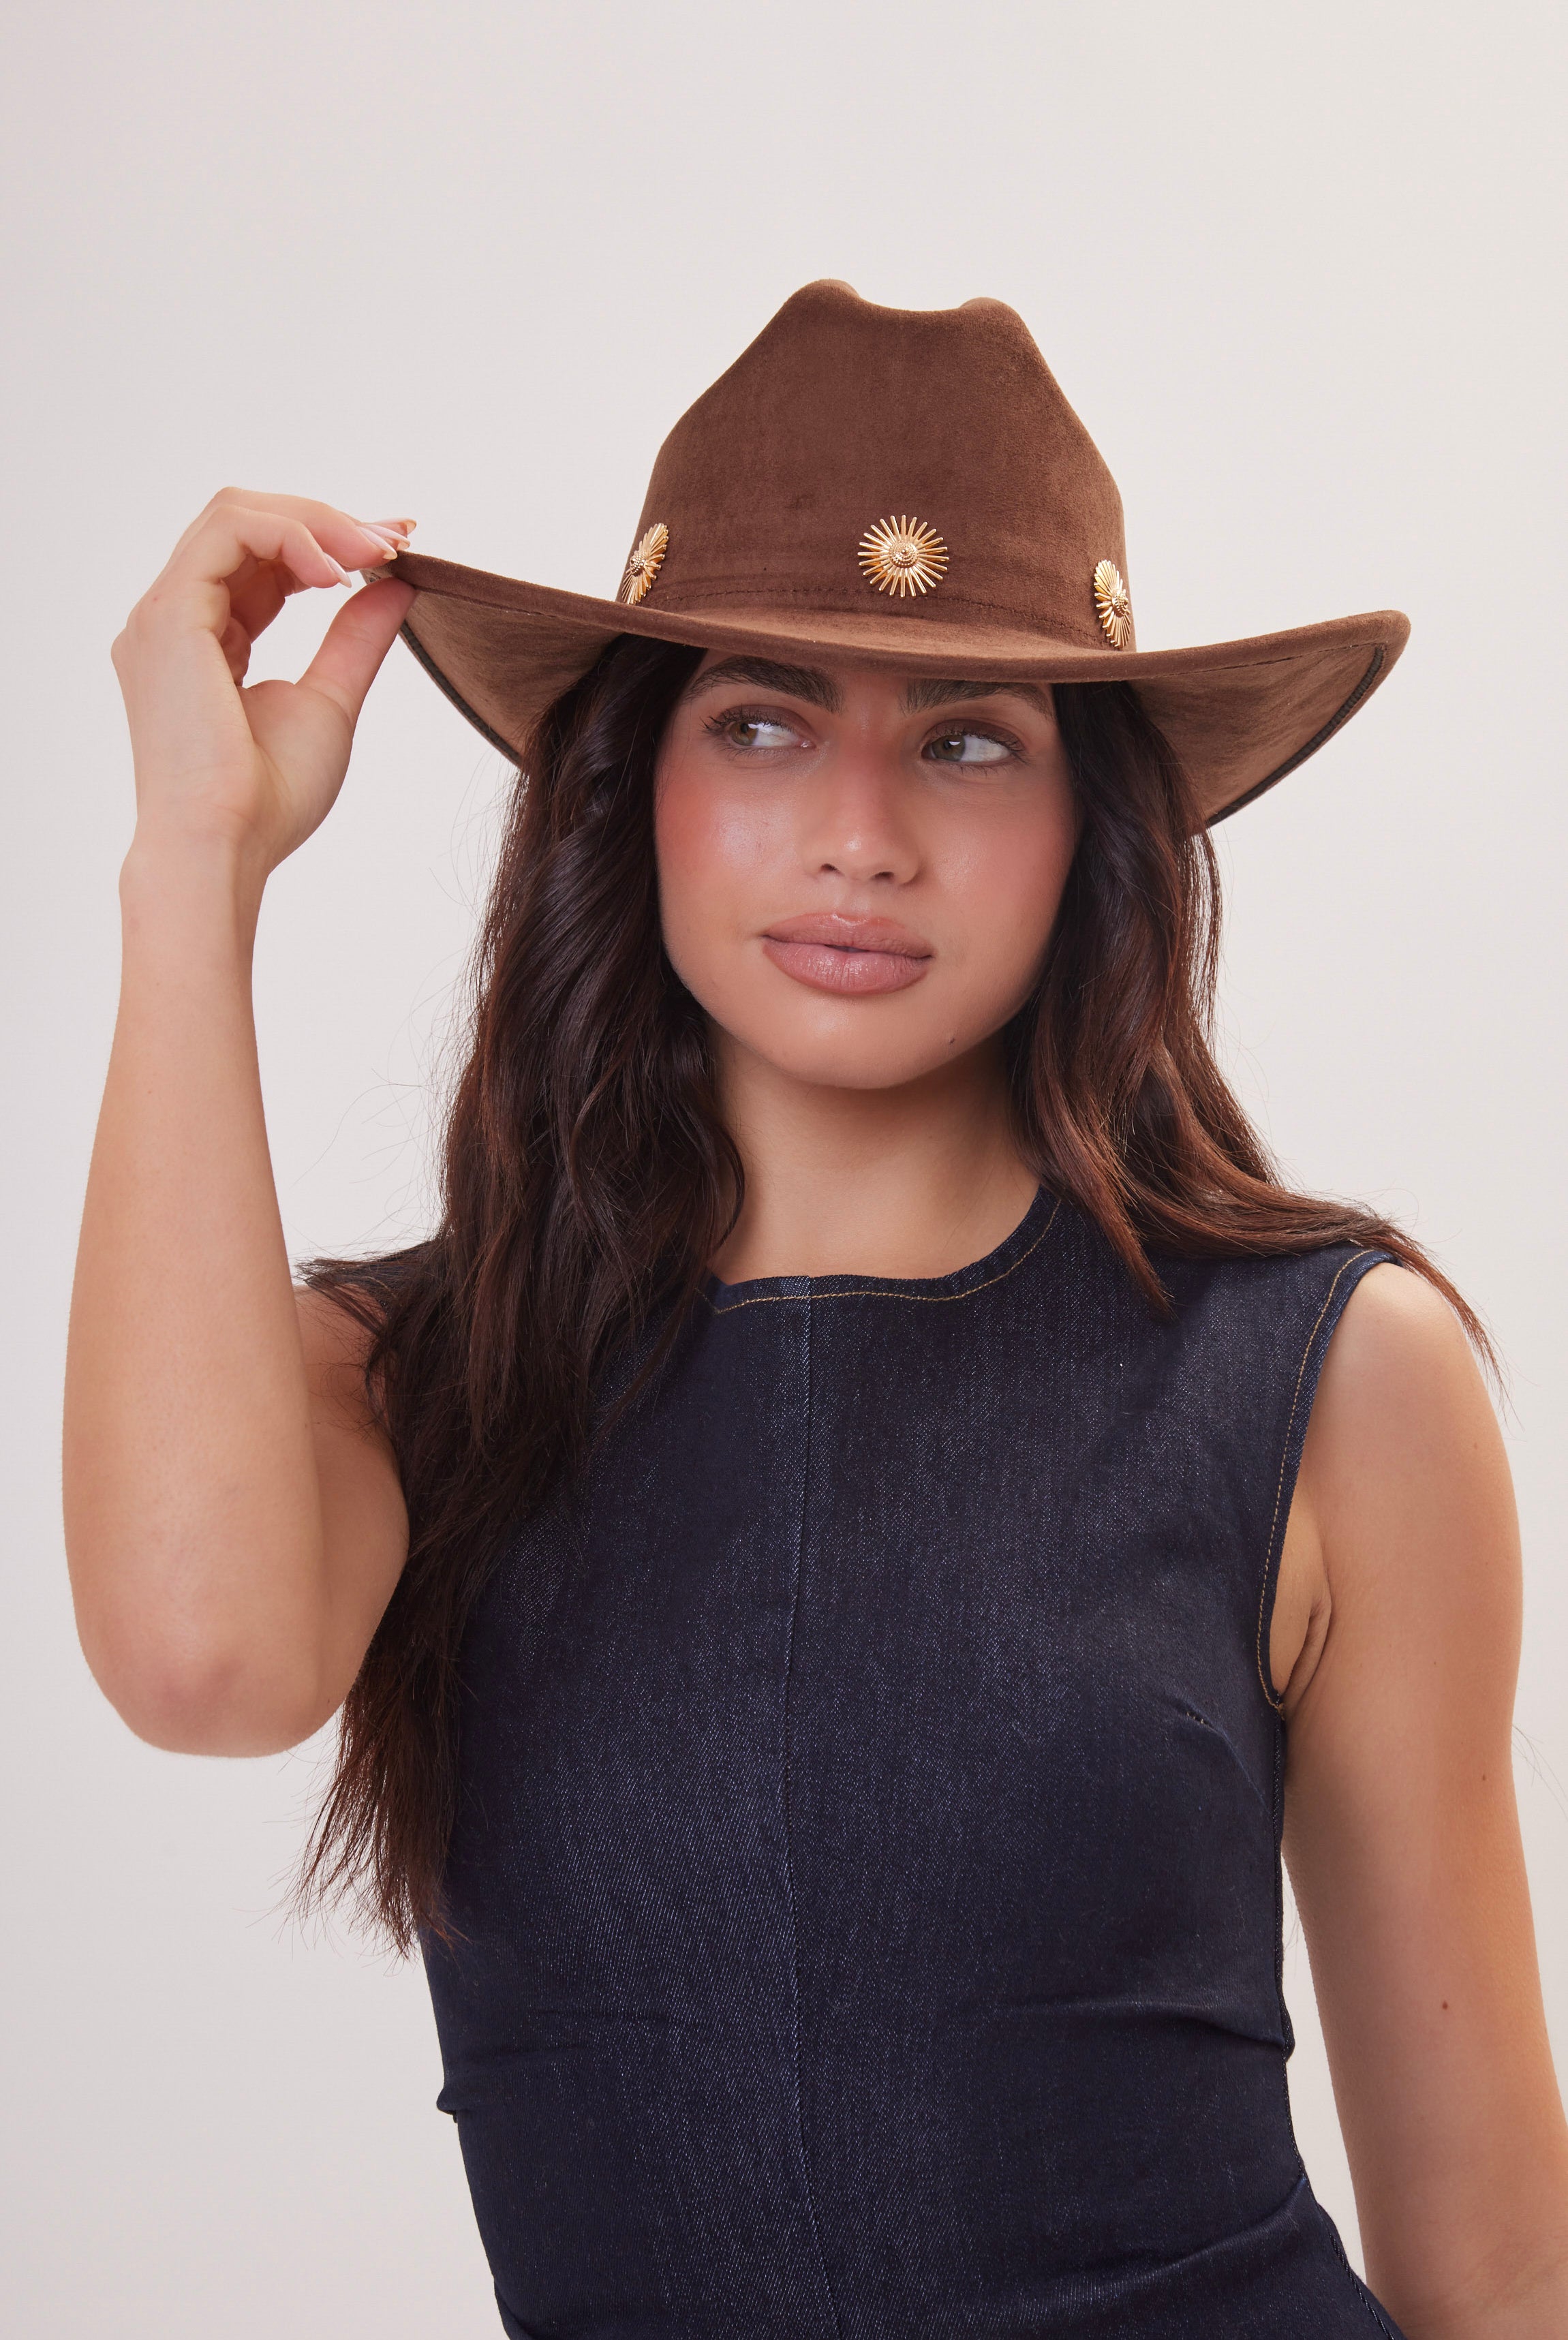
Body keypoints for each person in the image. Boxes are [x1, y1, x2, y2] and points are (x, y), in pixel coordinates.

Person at [64, 283, 1568, 2338]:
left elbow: (1498, 2273)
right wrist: (192, 864)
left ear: (1088, 826)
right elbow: (199, 1660)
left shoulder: (1331, 1379)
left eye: (967, 739)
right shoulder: (422, 1382)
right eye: (762, 719)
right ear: (634, 788)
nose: (861, 837)